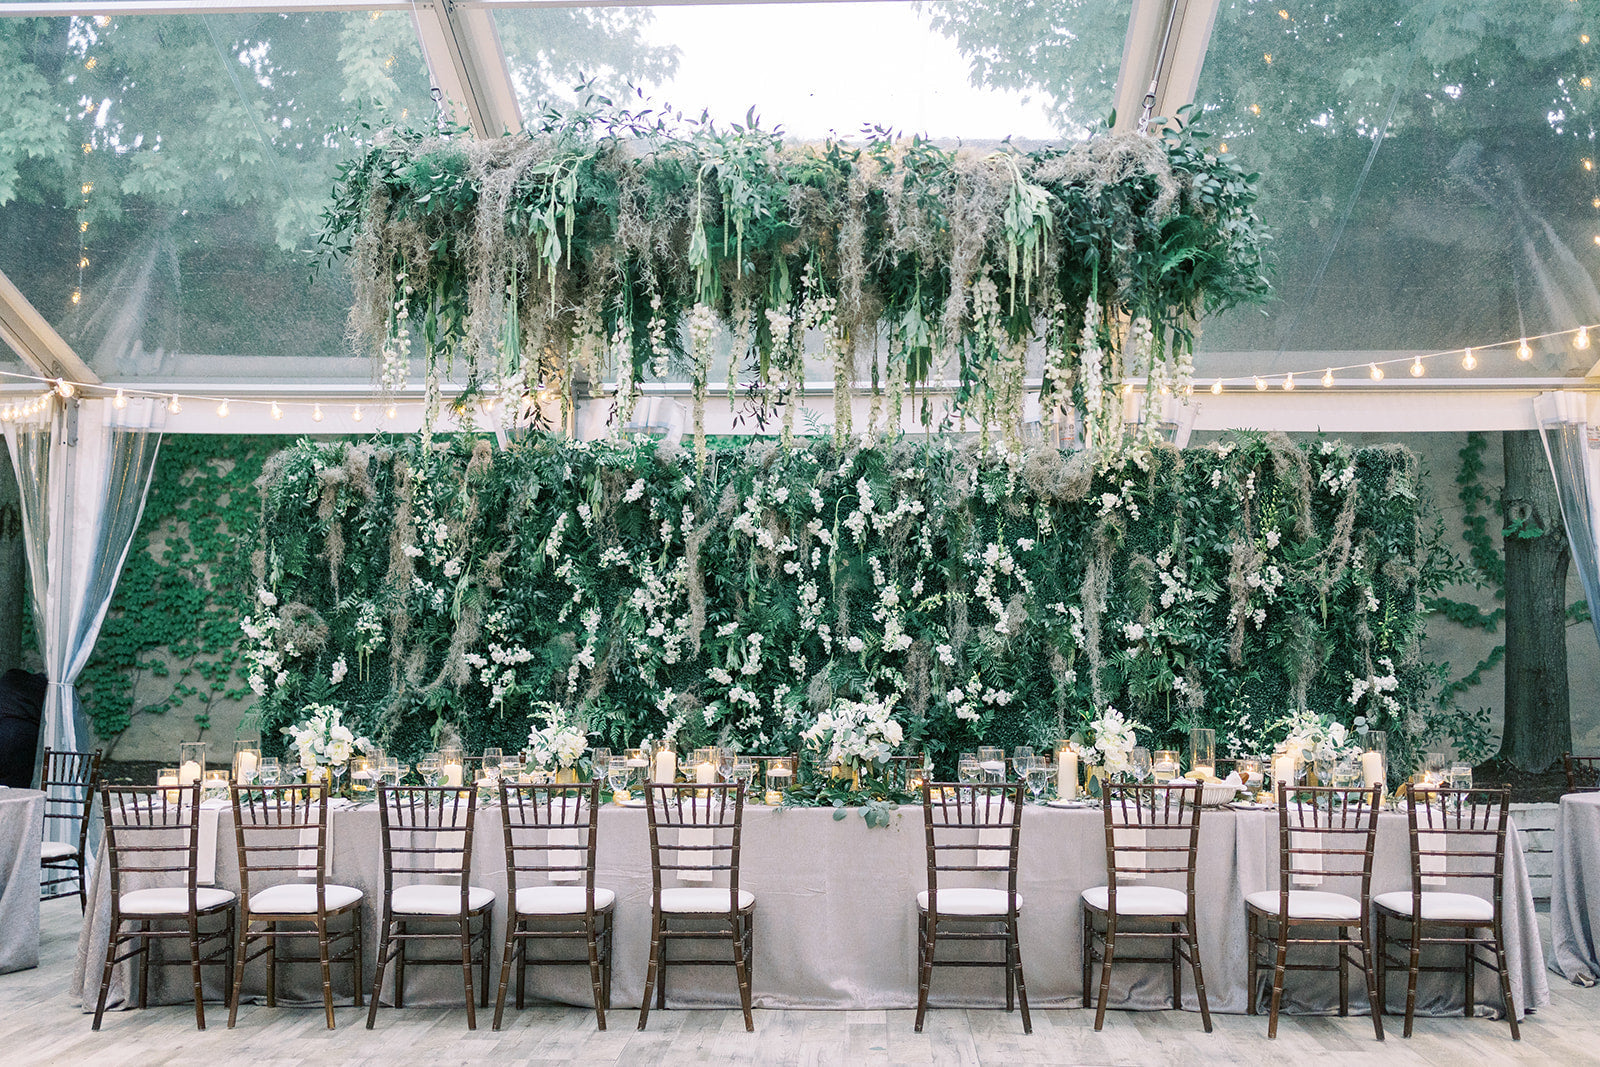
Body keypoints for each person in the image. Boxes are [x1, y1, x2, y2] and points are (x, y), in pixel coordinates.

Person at [0, 669, 47, 787]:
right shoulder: (39, 689)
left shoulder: (10, 679)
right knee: (19, 786)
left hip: (5, 728)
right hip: (28, 733)